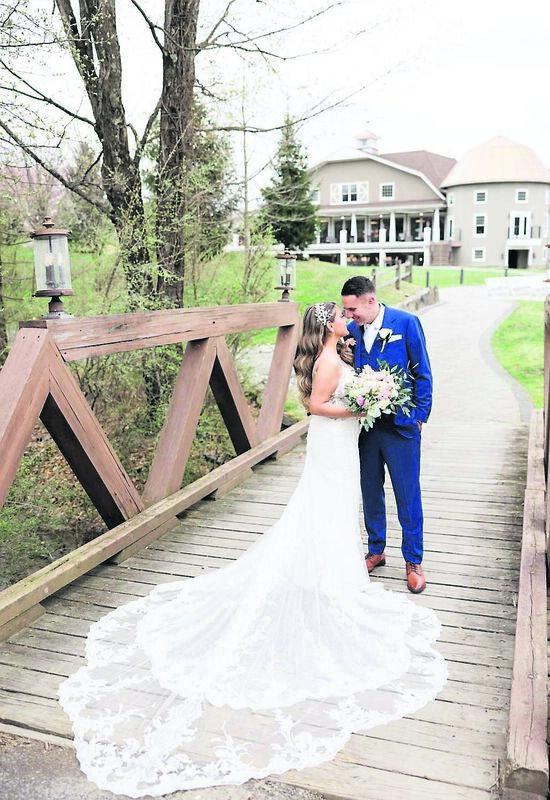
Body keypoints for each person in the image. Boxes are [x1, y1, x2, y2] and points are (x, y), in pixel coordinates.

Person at [58, 302, 446, 798]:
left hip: (346, 443)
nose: (348, 319)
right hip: (335, 440)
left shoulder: (341, 351)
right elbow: (315, 405)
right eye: (341, 315)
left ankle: (339, 569)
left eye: (351, 311)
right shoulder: (331, 360)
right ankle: (332, 573)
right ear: (330, 324)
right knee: (328, 506)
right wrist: (359, 406)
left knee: (339, 506)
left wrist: (371, 399)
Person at [341, 275, 432, 594]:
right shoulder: (351, 330)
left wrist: (419, 417)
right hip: (365, 428)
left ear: (370, 300)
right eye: (346, 310)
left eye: (352, 309)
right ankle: (376, 549)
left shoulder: (406, 323)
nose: (350, 315)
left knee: (407, 494)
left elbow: (422, 372)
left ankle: (413, 560)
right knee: (370, 489)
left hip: (401, 427)